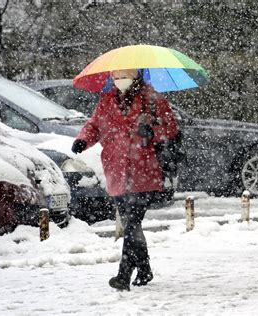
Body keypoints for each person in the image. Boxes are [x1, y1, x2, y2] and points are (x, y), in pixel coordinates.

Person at [71, 69, 179, 291]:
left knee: (131, 223)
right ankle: (145, 269)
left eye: (124, 75)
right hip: (116, 170)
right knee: (133, 223)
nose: (119, 80)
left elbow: (171, 129)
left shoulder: (153, 99)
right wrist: (83, 140)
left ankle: (123, 275)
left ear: (136, 75)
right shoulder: (106, 99)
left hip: (145, 170)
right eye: (116, 76)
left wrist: (152, 130)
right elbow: (94, 125)